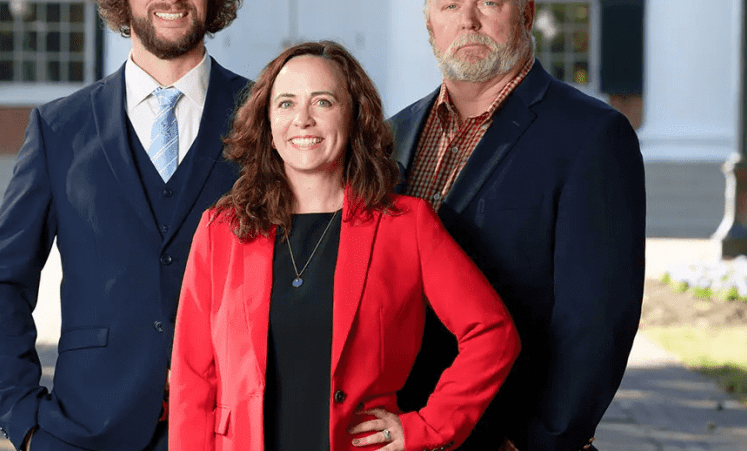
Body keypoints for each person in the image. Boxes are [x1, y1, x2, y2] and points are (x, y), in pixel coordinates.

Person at [0, 0, 250, 451]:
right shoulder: (59, 128)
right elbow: (1, 283)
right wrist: (24, 421)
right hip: (84, 428)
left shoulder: (263, 116)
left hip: (231, 426)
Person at [168, 40, 521, 451]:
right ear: (266, 122)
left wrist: (429, 425)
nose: (302, 119)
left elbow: (492, 334)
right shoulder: (221, 231)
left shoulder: (407, 226)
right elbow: (193, 377)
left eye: (323, 102)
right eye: (285, 104)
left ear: (354, 116)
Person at [390, 0, 646, 451]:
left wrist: (541, 439)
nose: (469, 21)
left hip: (511, 436)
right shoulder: (391, 136)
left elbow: (597, 319)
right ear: (429, 26)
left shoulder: (591, 137)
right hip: (406, 430)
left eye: (489, 3)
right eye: (450, 6)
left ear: (525, 14)